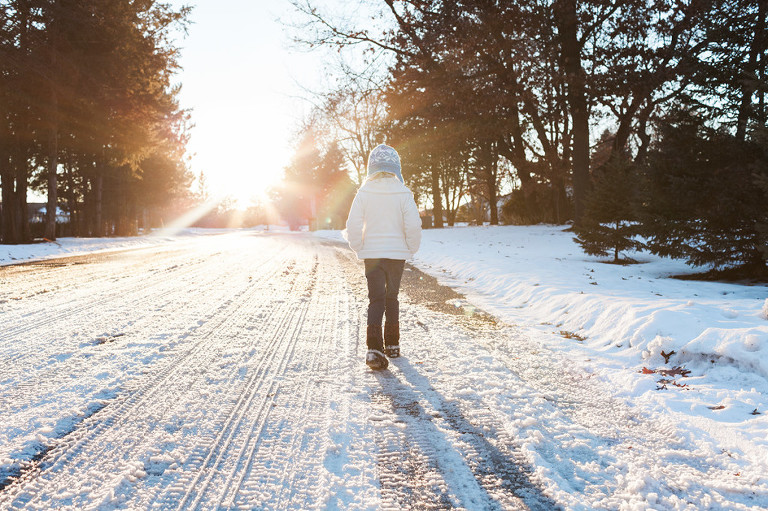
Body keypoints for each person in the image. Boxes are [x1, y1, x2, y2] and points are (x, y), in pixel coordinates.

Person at [344, 144, 422, 370]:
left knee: (376, 299)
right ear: (396, 168)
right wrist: (410, 248)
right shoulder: (403, 193)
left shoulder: (364, 193)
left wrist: (359, 246)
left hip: (373, 255)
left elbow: (353, 224)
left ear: (371, 168)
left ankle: (374, 348)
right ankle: (393, 344)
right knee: (392, 297)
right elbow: (413, 225)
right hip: (396, 255)